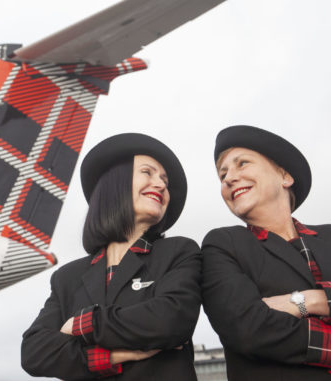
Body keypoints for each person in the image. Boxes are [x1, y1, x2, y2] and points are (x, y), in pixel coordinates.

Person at [201, 125, 331, 381]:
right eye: (222, 174)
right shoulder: (223, 245)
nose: (228, 178)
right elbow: (248, 329)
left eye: (242, 164)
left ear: (285, 176)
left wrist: (306, 301)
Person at [21, 133, 201, 380]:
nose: (160, 185)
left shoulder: (179, 252)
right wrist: (108, 358)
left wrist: (82, 324)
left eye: (165, 181)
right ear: (115, 183)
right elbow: (34, 352)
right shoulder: (67, 278)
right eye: (148, 173)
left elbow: (171, 320)